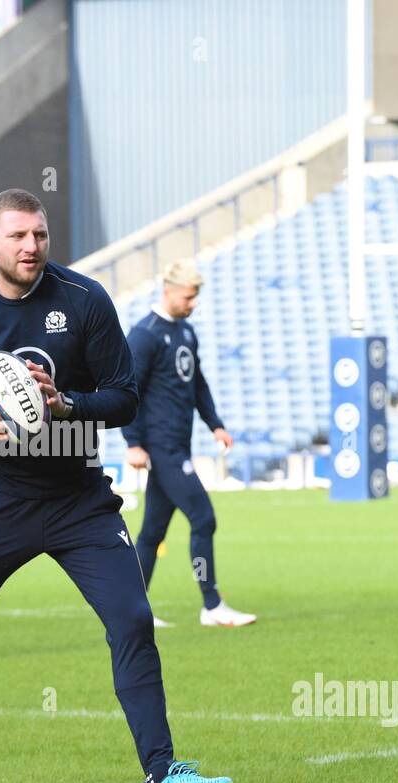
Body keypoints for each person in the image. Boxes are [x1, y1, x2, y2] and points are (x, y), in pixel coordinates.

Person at [0, 188, 233, 783]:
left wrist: (66, 403)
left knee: (132, 620)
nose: (31, 246)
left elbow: (124, 395)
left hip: (79, 503)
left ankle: (161, 777)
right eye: (17, 236)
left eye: (39, 235)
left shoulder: (85, 300)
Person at [123, 259, 256, 629]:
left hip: (178, 445)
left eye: (196, 296)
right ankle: (212, 604)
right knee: (204, 518)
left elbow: (198, 383)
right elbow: (127, 391)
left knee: (152, 533)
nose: (193, 303)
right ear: (168, 291)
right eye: (189, 296)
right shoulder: (144, 335)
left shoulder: (186, 332)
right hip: (161, 447)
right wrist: (132, 442)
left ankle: (132, 610)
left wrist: (216, 424)